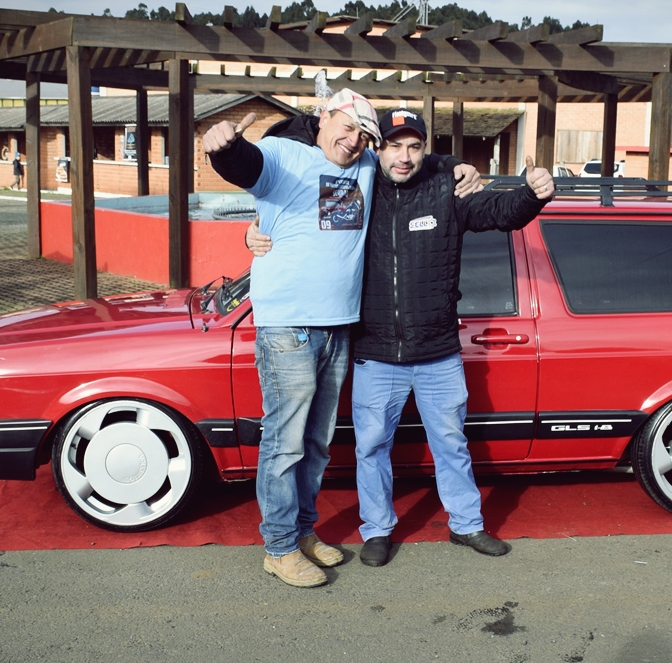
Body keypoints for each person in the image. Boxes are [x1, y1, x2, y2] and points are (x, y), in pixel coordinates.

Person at [249, 108, 555, 567]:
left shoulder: (446, 189)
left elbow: (499, 213)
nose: (404, 156)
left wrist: (532, 194)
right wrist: (256, 231)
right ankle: (377, 530)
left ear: (425, 150)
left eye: (414, 146)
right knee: (372, 448)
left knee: (451, 443)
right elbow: (309, 230)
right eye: (394, 146)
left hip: (437, 352)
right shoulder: (355, 190)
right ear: (378, 149)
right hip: (375, 353)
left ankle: (466, 524)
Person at [202, 91, 479, 588]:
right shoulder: (285, 154)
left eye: (363, 136)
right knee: (285, 444)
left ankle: (303, 532)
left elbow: (412, 155)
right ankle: (279, 548)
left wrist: (456, 164)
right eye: (346, 127)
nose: (353, 141)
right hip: (288, 326)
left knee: (316, 443)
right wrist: (224, 148)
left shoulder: (367, 166)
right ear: (324, 117)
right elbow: (247, 166)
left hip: (338, 326)